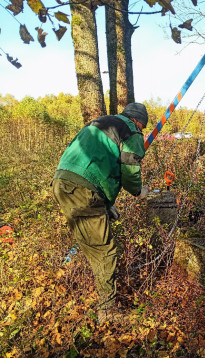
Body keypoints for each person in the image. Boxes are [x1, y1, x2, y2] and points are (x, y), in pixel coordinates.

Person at [52, 103, 149, 323]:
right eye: (142, 127)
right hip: (82, 189)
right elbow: (130, 169)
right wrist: (139, 191)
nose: (141, 131)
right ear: (138, 122)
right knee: (104, 251)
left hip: (62, 183)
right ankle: (108, 312)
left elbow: (95, 162)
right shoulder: (130, 130)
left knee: (92, 246)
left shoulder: (101, 123)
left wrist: (105, 206)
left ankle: (82, 286)